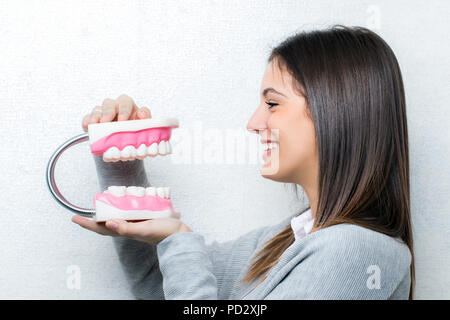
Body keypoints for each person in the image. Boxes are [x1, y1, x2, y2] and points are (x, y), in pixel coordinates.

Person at [72, 25, 414, 299]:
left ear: (337, 112)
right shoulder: (282, 241)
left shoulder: (355, 252)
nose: (253, 123)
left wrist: (177, 236)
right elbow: (159, 284)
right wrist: (119, 156)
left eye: (273, 104)